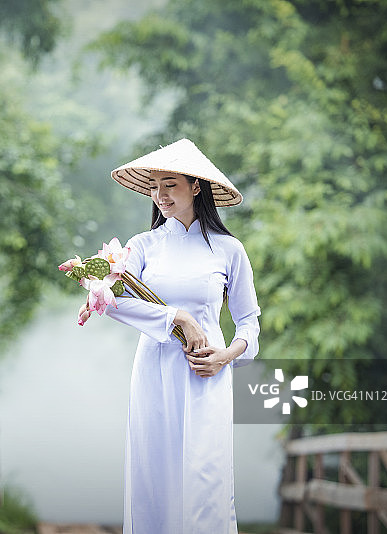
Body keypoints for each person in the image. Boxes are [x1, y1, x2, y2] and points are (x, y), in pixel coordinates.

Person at [78, 139, 260, 533]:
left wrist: (225, 355)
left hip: (206, 376)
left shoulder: (229, 250)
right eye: (155, 187)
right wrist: (177, 318)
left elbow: (249, 321)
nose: (160, 195)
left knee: (206, 474)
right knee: (153, 474)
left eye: (170, 184)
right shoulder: (142, 246)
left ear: (196, 186)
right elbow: (111, 302)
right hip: (154, 372)